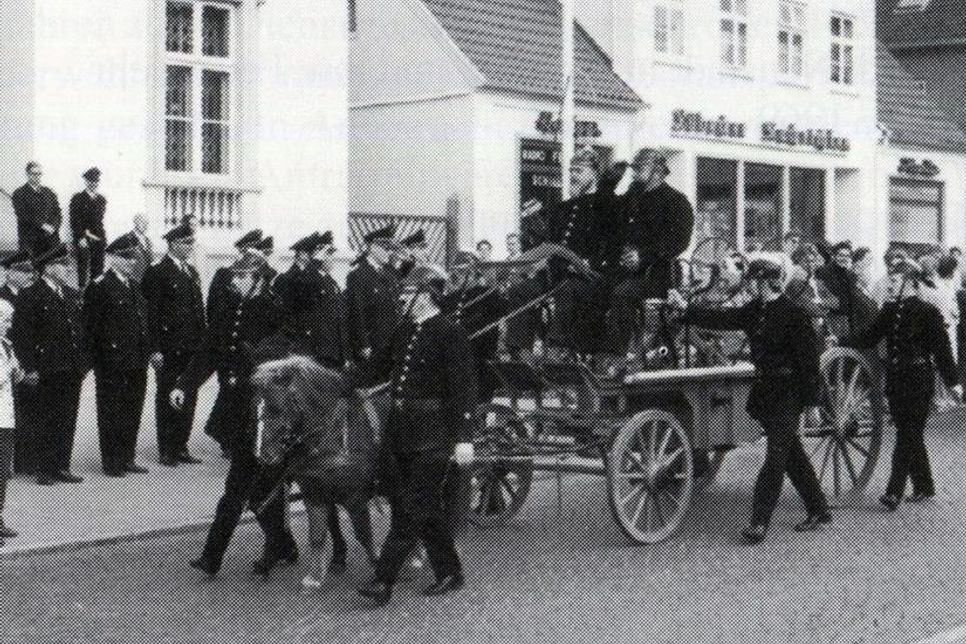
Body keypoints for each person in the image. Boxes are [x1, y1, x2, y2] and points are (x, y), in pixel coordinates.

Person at [669, 259, 831, 544]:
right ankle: (818, 508)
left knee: (776, 457)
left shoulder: (795, 315)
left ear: (766, 282)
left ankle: (759, 522)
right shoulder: (755, 310)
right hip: (766, 391)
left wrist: (813, 403)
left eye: (754, 282)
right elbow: (722, 318)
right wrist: (686, 310)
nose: (750, 287)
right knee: (791, 452)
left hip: (789, 393)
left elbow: (809, 364)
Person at [356, 266, 477, 607]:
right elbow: (378, 367)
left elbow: (464, 388)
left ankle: (384, 579)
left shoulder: (449, 332)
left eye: (409, 294)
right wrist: (341, 382)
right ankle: (450, 572)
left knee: (411, 507)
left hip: (435, 434)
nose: (404, 299)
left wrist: (463, 437)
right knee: (426, 508)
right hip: (401, 432)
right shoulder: (406, 329)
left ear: (426, 296)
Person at [172, 252, 297, 577]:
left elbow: (286, 360)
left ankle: (223, 554)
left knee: (247, 488)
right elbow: (208, 351)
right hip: (235, 411)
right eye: (235, 276)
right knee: (250, 489)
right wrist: (185, 384)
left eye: (242, 277)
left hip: (264, 413)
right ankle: (276, 545)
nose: (234, 281)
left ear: (258, 279)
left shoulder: (276, 313)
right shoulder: (229, 310)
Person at [836, 259, 962, 511]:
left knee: (906, 434)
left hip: (919, 378)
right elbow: (869, 337)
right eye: (890, 280)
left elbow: (942, 351)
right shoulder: (890, 310)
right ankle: (924, 485)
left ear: (911, 284)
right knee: (910, 431)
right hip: (896, 379)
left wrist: (954, 383)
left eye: (895, 281)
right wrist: (840, 339)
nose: (890, 285)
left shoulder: (928, 312)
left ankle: (894, 491)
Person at [10, 243, 87, 486]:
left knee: (68, 417)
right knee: (46, 418)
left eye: (66, 265)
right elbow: (23, 336)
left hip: (70, 366)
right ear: (47, 268)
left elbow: (79, 331)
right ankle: (44, 468)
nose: (66, 269)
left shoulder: (70, 294)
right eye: (62, 265)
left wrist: (82, 363)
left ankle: (62, 465)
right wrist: (29, 367)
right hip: (46, 367)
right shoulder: (30, 294)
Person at [606, 148, 694, 356]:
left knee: (623, 294)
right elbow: (608, 215)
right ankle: (591, 352)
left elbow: (679, 242)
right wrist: (609, 183)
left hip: (659, 273)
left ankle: (618, 356)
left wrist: (643, 256)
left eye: (639, 168)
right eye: (633, 168)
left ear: (656, 170)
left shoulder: (676, 201)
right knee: (593, 286)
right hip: (626, 271)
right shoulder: (633, 195)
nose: (634, 173)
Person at [83, 233, 151, 478]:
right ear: (111, 258)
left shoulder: (134, 286)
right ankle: (112, 461)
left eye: (133, 258)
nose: (131, 262)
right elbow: (91, 327)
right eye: (125, 258)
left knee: (133, 409)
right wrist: (96, 360)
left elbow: (142, 322)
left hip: (136, 359)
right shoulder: (100, 285)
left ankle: (127, 456)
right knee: (112, 410)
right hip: (111, 361)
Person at [141, 222, 207, 467]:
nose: (190, 247)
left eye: (191, 243)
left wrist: (203, 343)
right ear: (172, 244)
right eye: (185, 243)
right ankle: (167, 448)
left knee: (189, 395)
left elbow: (198, 312)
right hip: (168, 348)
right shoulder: (157, 271)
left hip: (191, 347)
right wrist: (154, 348)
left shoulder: (191, 272)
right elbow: (151, 313)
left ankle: (181, 445)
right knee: (167, 395)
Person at [279, 231, 348, 370]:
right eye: (327, 254)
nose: (331, 258)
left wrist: (346, 354)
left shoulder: (330, 281)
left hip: (333, 351)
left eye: (329, 254)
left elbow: (339, 319)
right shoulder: (306, 279)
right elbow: (304, 289)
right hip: (316, 350)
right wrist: (315, 261)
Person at [0, 252, 35, 476]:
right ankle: (5, 464)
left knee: (26, 413)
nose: (26, 276)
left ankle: (24, 461)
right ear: (9, 272)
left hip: (24, 362)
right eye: (22, 271)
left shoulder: (29, 295)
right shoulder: (2, 297)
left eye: (28, 272)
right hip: (5, 361)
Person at [346, 225, 400, 361]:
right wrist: (363, 344)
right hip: (373, 344)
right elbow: (357, 312)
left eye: (391, 249)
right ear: (372, 248)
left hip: (391, 343)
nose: (390, 252)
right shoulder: (359, 275)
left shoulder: (389, 273)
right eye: (386, 248)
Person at [0, 300, 22, 544]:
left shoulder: (6, 345)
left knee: (3, 471)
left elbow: (13, 375)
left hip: (6, 417)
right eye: (5, 320)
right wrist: (8, 372)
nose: (9, 325)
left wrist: (18, 371)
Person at [68, 167, 107, 288]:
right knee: (83, 265)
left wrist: (102, 239)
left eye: (96, 181)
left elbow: (99, 221)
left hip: (97, 237)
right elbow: (74, 221)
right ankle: (82, 292)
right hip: (83, 237)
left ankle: (95, 292)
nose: (93, 183)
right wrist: (81, 238)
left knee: (98, 267)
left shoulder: (101, 200)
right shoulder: (77, 198)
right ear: (86, 182)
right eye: (90, 181)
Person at [11, 162, 61, 253]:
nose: (37, 176)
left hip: (50, 237)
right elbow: (23, 216)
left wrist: (53, 227)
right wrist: (43, 225)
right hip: (31, 239)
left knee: (58, 257)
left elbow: (57, 212)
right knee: (36, 263)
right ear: (27, 174)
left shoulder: (49, 192)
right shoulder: (19, 193)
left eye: (39, 174)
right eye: (34, 174)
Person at [130, 214, 154, 284]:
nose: (145, 225)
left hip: (148, 280)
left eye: (146, 223)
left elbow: (150, 260)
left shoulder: (147, 241)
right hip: (135, 280)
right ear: (135, 222)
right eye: (142, 222)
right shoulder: (129, 239)